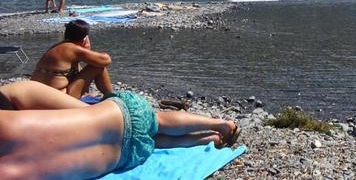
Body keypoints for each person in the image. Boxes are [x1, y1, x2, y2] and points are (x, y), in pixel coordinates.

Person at [0, 80, 241, 179]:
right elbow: (77, 109)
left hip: (124, 158)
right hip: (121, 114)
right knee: (156, 122)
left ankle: (207, 139)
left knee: (154, 142)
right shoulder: (15, 101)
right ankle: (219, 125)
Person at [31, 19, 114, 98]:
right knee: (97, 66)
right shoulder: (74, 50)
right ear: (84, 38)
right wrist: (87, 47)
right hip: (58, 98)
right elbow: (106, 60)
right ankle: (110, 96)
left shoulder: (57, 47)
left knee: (91, 64)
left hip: (37, 95)